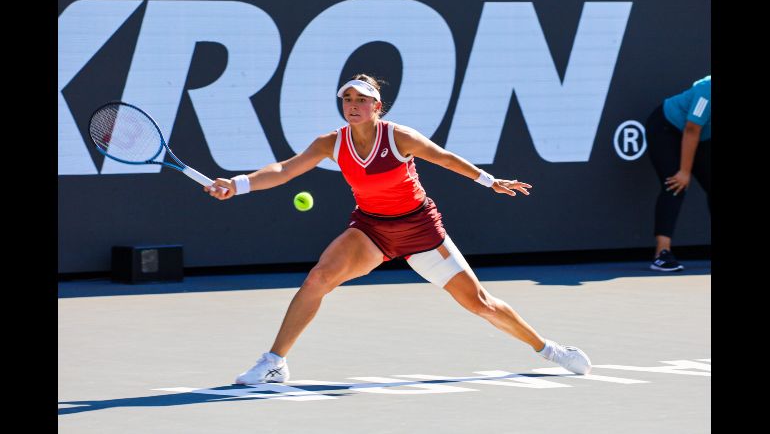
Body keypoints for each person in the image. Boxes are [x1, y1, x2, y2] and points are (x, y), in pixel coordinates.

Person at [205, 73, 592, 384]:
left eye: (361, 100)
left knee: (479, 303)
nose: (353, 106)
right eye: (347, 100)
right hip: (370, 229)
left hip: (419, 228)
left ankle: (548, 349)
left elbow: (444, 158)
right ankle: (274, 363)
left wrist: (489, 181)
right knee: (318, 278)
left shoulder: (399, 136)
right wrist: (237, 184)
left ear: (377, 106)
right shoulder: (330, 143)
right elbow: (284, 170)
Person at [645, 75, 711, 272]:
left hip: (702, 135)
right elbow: (691, 129)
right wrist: (684, 171)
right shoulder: (707, 91)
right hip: (666, 129)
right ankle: (662, 254)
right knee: (675, 184)